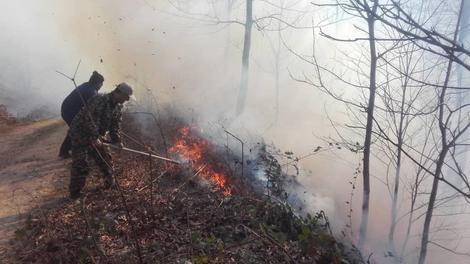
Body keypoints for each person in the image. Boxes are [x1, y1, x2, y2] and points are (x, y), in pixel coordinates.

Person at [68, 83, 133, 199]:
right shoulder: (100, 99)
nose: (126, 100)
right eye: (126, 97)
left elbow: (114, 126)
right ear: (118, 92)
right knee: (81, 163)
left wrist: (117, 140)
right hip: (80, 133)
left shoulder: (118, 107)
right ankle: (75, 193)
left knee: (106, 159)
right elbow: (90, 120)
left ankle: (110, 184)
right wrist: (94, 138)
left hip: (97, 135)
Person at [59, 71, 104, 158]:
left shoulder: (87, 85)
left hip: (67, 109)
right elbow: (95, 109)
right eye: (101, 83)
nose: (101, 86)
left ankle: (64, 151)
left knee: (76, 129)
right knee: (79, 130)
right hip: (70, 112)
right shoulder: (91, 91)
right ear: (97, 83)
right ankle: (66, 152)